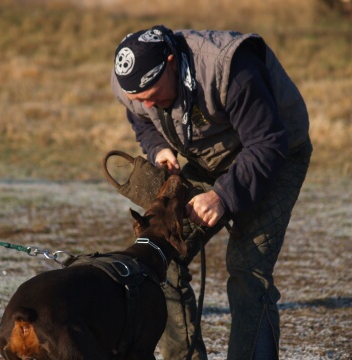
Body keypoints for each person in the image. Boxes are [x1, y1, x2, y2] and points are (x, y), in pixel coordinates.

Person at [111, 25, 312, 360]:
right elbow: (141, 121)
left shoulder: (230, 69)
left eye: (152, 94)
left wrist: (222, 196)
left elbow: (267, 143)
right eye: (138, 99)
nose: (146, 103)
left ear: (172, 63)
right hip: (206, 154)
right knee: (163, 255)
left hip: (276, 154)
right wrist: (158, 147)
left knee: (248, 270)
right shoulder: (131, 85)